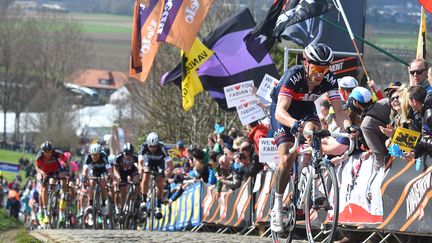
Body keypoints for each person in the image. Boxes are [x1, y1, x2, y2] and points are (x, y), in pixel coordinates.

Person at [269, 43, 352, 232]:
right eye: (316, 68)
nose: (320, 73)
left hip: (306, 110)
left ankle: (313, 187)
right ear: (306, 63)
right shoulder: (294, 75)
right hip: (283, 112)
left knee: (315, 134)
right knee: (286, 157)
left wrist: (349, 127)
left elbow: (339, 110)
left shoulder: (329, 79)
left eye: (325, 68)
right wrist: (293, 125)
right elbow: (280, 111)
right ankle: (277, 207)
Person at [138, 132, 173, 220]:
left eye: (154, 146)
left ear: (157, 144)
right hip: (148, 161)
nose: (152, 148)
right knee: (145, 174)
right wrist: (140, 168)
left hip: (159, 163)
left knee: (159, 184)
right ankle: (144, 199)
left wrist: (169, 171)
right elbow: (140, 162)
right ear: (147, 144)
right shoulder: (143, 147)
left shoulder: (162, 148)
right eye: (150, 146)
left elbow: (170, 164)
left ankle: (158, 206)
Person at [35, 141, 70, 225]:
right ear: (43, 151)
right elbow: (37, 168)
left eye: (49, 152)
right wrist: (42, 173)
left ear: (52, 150)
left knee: (64, 179)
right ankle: (45, 210)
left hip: (56, 170)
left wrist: (66, 169)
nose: (48, 154)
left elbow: (66, 160)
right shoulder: (39, 156)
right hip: (45, 172)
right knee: (44, 187)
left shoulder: (57, 153)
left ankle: (63, 196)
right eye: (45, 152)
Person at [82, 143, 112, 222]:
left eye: (96, 155)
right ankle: (91, 204)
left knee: (102, 183)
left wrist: (108, 176)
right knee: (91, 183)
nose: (94, 157)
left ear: (100, 154)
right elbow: (85, 171)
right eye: (93, 155)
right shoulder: (88, 158)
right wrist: (85, 177)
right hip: (94, 170)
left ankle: (104, 203)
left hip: (103, 170)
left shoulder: (103, 156)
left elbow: (109, 169)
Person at [113, 142, 140, 215]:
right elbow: (115, 169)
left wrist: (141, 174)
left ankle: (137, 198)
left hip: (132, 171)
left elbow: (140, 166)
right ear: (124, 153)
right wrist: (118, 178)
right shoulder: (119, 157)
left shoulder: (135, 156)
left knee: (137, 180)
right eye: (127, 154)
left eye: (130, 154)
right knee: (123, 193)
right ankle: (121, 209)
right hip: (122, 173)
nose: (128, 156)